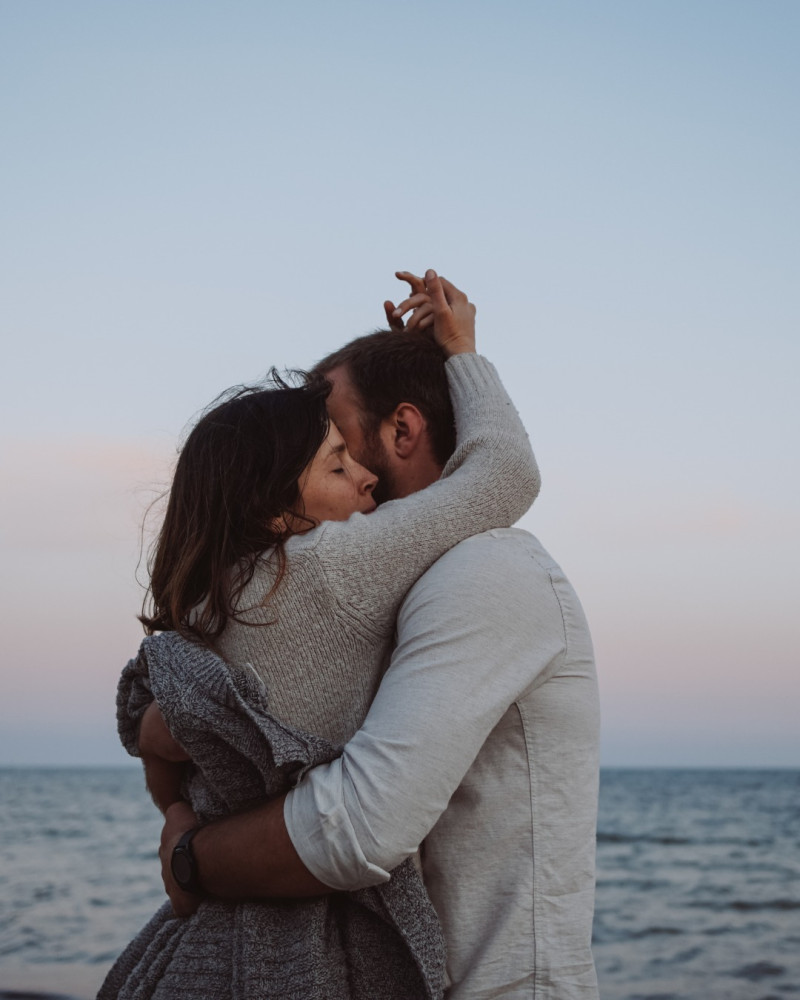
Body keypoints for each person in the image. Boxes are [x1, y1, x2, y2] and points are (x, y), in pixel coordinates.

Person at [154, 272, 601, 998]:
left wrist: (189, 857)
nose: (335, 462)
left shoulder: (488, 568)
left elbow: (359, 825)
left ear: (401, 429)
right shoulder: (367, 590)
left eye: (334, 438)